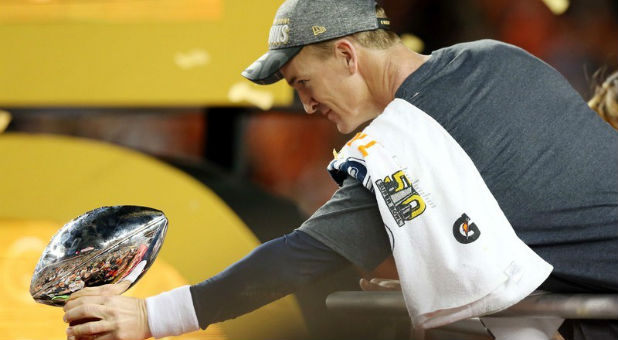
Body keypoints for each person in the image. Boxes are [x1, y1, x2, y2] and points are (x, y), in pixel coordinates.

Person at [62, 1, 618, 339]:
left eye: (303, 82)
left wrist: (149, 318)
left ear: (348, 56)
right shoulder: (497, 57)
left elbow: (298, 257)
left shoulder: (403, 142)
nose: (305, 106)